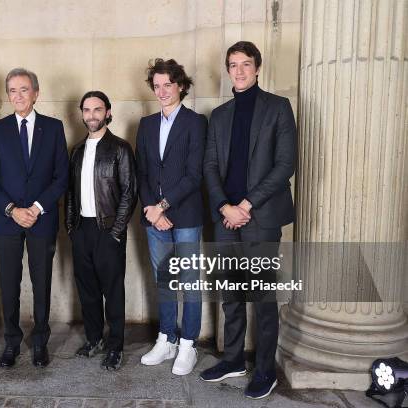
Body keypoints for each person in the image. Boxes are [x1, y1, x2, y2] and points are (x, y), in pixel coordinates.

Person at [200, 41, 296, 399]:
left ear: (258, 68)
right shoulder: (220, 115)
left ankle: (266, 371)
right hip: (226, 217)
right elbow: (209, 166)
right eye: (232, 65)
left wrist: (246, 205)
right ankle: (234, 358)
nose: (238, 71)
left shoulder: (278, 107)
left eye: (245, 64)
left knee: (262, 297)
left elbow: (285, 164)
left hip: (262, 216)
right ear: (227, 70)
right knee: (231, 294)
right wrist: (225, 206)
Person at [0, 68, 69, 368]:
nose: (18, 96)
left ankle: (40, 342)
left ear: (36, 93)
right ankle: (11, 342)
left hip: (42, 220)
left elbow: (61, 177)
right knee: (9, 283)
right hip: (7, 221)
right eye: (13, 91)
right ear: (8, 95)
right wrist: (12, 210)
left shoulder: (54, 128)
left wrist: (37, 208)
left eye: (24, 89)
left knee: (41, 281)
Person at [136, 58, 207, 376]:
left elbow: (194, 175)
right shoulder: (146, 124)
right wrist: (152, 209)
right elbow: (142, 172)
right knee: (163, 279)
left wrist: (162, 205)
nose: (162, 91)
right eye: (157, 86)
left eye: (168, 84)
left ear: (181, 86)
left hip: (187, 214)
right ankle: (167, 339)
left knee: (190, 280)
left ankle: (189, 344)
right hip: (155, 216)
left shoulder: (195, 122)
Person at [65, 91, 137, 370]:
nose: (92, 115)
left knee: (113, 291)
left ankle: (115, 345)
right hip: (82, 230)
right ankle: (94, 339)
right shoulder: (77, 150)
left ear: (108, 112)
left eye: (97, 109)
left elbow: (130, 193)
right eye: (87, 110)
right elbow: (70, 194)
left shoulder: (120, 148)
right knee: (87, 290)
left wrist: (116, 232)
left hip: (108, 231)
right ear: (81, 113)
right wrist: (71, 227)